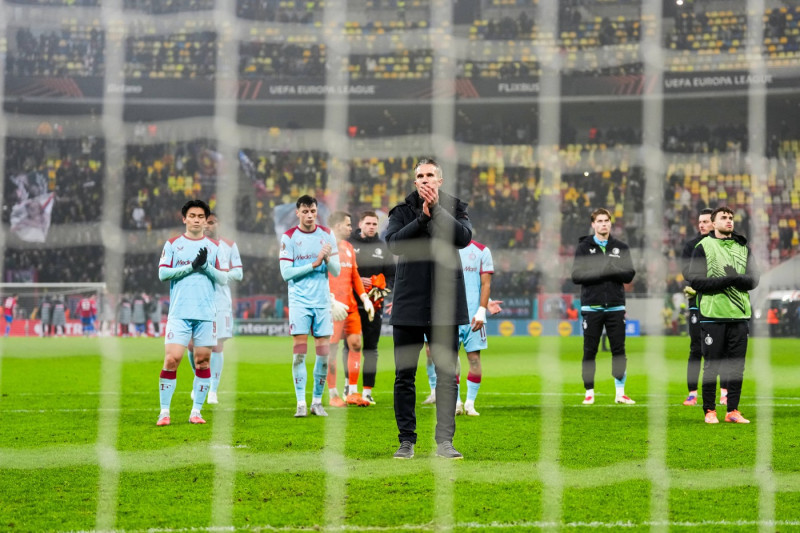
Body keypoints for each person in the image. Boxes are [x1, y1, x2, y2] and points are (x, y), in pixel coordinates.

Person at [385, 157, 472, 460]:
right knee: (404, 376)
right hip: (409, 301)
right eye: (419, 175)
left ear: (440, 180)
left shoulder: (457, 208)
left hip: (445, 303)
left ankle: (444, 442)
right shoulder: (402, 211)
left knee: (447, 375)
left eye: (430, 175)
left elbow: (464, 238)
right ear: (414, 181)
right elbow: (394, 243)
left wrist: (436, 212)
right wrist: (421, 218)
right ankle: (406, 441)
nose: (424, 179)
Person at [156, 199, 229, 427]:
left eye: (200, 217)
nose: (196, 220)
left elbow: (224, 278)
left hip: (206, 314)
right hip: (179, 312)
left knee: (203, 362)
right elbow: (163, 274)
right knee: (171, 359)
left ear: (206, 221)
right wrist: (191, 266)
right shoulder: (172, 244)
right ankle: (164, 412)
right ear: (184, 218)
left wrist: (205, 266)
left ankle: (196, 411)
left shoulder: (216, 247)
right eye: (192, 216)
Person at [687, 206, 759, 424]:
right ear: (713, 222)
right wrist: (729, 280)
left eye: (731, 218)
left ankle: (732, 411)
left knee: (737, 366)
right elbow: (696, 281)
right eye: (724, 218)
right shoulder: (703, 247)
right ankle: (710, 410)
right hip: (712, 315)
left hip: (738, 315)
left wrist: (735, 277)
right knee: (712, 364)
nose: (729, 221)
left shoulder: (743, 248)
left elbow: (754, 280)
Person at [422, 238, 502, 416]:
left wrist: (483, 308)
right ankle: (456, 401)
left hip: (474, 317)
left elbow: (484, 284)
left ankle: (470, 403)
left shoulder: (482, 251)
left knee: (474, 359)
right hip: (448, 317)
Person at [279, 195, 341, 418]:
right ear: (298, 213)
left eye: (313, 211)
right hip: (299, 302)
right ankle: (301, 403)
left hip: (322, 302)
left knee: (324, 355)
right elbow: (286, 273)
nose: (309, 215)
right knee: (299, 354)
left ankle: (317, 401)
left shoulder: (327, 235)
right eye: (305, 211)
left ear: (317, 212)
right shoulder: (289, 238)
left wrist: (326, 260)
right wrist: (313, 263)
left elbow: (336, 271)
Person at [571, 207, 636, 405]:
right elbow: (576, 276)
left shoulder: (621, 247)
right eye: (599, 221)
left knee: (619, 350)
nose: (603, 224)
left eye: (606, 220)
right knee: (590, 350)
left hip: (615, 306)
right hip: (592, 307)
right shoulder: (584, 247)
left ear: (610, 223)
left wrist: (612, 269)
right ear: (593, 224)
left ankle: (620, 393)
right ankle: (589, 392)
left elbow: (629, 275)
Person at [343, 210, 395, 405]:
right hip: (351, 304)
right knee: (350, 346)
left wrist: (381, 290)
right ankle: (349, 387)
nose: (372, 227)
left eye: (375, 224)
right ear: (360, 224)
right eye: (368, 223)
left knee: (371, 349)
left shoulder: (383, 248)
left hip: (374, 305)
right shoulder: (349, 245)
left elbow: (391, 277)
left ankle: (367, 391)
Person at [324, 211, 375, 408]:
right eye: (347, 224)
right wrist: (329, 301)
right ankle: (332, 393)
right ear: (337, 226)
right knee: (331, 349)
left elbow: (354, 275)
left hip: (351, 306)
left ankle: (353, 392)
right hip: (332, 308)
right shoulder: (325, 247)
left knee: (355, 344)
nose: (350, 228)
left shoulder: (348, 247)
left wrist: (365, 298)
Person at [202, 211, 243, 404]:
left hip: (221, 302)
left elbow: (239, 273)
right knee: (194, 346)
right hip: (200, 300)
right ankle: (199, 380)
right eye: (206, 222)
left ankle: (213, 390)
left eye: (212, 222)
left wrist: (221, 274)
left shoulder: (229, 245)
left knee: (217, 345)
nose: (209, 225)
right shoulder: (196, 244)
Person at [680, 208, 715, 406]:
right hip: (697, 303)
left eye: (705, 221)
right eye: (700, 221)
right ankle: (692, 392)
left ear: (714, 223)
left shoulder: (723, 244)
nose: (701, 224)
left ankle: (725, 391)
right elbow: (687, 272)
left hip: (719, 303)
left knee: (721, 349)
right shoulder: (691, 245)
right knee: (696, 348)